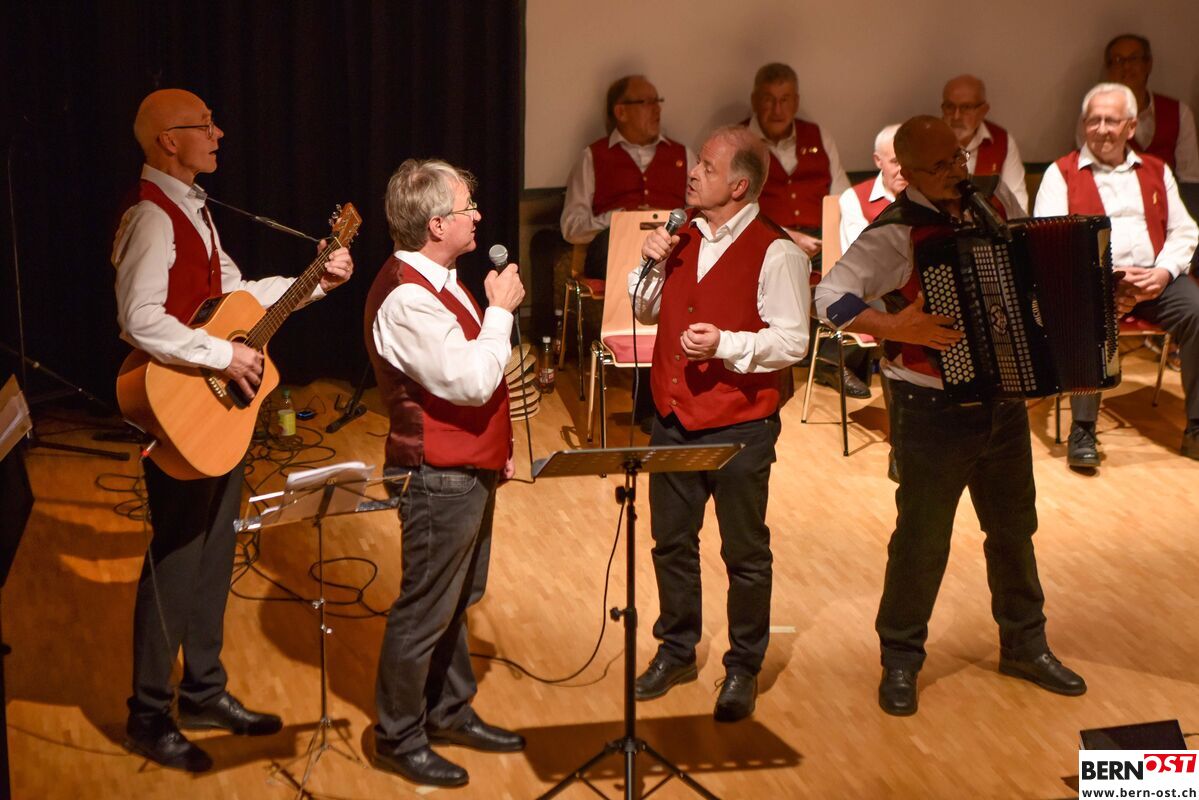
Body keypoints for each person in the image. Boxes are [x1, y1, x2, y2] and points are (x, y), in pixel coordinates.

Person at [112, 88, 354, 771]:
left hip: (215, 412)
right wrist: (224, 356)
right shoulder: (151, 217)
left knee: (216, 552)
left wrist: (318, 280)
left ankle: (204, 690)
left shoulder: (195, 210)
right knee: (177, 559)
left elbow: (241, 300)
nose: (218, 134)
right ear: (169, 141)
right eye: (205, 125)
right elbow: (139, 318)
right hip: (179, 407)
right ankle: (147, 714)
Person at [814, 116, 1087, 717]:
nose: (955, 172)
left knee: (1014, 529)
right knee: (922, 538)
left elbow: (1029, 277)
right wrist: (894, 325)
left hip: (1003, 401)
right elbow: (827, 297)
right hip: (929, 404)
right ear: (907, 172)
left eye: (958, 158)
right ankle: (900, 659)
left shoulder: (993, 204)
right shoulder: (895, 233)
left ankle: (1025, 644)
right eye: (939, 166)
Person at [630, 126, 809, 723]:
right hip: (673, 417)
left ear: (738, 185)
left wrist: (727, 344)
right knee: (671, 542)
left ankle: (743, 667)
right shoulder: (680, 235)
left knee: (744, 553)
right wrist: (650, 264)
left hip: (739, 426)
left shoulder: (777, 251)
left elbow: (793, 341)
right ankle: (676, 650)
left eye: (707, 166)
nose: (693, 172)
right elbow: (644, 310)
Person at [364, 159, 526, 788]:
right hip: (435, 475)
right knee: (424, 610)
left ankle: (449, 711)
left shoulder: (444, 279)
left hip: (469, 466)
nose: (478, 216)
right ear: (436, 224)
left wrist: (497, 446)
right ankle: (398, 737)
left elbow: (472, 372)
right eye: (467, 208)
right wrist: (501, 311)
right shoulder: (408, 298)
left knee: (461, 596)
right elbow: (471, 379)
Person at [1036, 83, 1199, 467]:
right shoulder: (1060, 173)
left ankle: (1196, 425)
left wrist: (1163, 272)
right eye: (1093, 120)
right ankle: (1083, 429)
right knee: (1086, 313)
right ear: (1084, 125)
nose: (1101, 129)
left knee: (1197, 311)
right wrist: (1106, 282)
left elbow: (1184, 231)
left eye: (1111, 120)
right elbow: (1050, 241)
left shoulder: (1157, 170)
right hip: (1092, 283)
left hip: (1155, 280)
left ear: (1131, 126)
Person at [742, 63, 861, 397]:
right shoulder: (740, 141)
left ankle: (832, 361)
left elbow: (842, 197)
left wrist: (837, 240)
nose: (777, 109)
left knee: (857, 271)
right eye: (769, 99)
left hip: (820, 235)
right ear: (755, 100)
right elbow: (735, 208)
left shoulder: (818, 136)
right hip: (764, 237)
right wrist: (787, 236)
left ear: (796, 101)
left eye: (785, 99)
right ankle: (789, 362)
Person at [561, 75, 694, 279]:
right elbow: (571, 227)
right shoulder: (592, 156)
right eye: (647, 102)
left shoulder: (683, 155)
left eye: (657, 101)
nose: (657, 109)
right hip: (615, 253)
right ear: (621, 112)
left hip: (671, 252)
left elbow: (698, 215)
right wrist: (617, 218)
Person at [1096, 34, 1199, 183]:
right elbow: (1093, 175)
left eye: (1134, 59)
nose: (1126, 66)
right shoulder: (1094, 116)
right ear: (1109, 69)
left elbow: (1190, 178)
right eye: (1118, 60)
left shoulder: (1180, 113)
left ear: (1148, 64)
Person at [941, 74, 1028, 213]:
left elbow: (1016, 206)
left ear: (983, 110)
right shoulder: (928, 141)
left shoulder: (1002, 142)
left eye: (966, 107)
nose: (956, 116)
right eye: (950, 107)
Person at [839, 124, 906, 252]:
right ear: (878, 161)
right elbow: (859, 254)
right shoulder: (853, 198)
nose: (903, 171)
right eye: (895, 162)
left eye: (908, 161)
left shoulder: (928, 193)